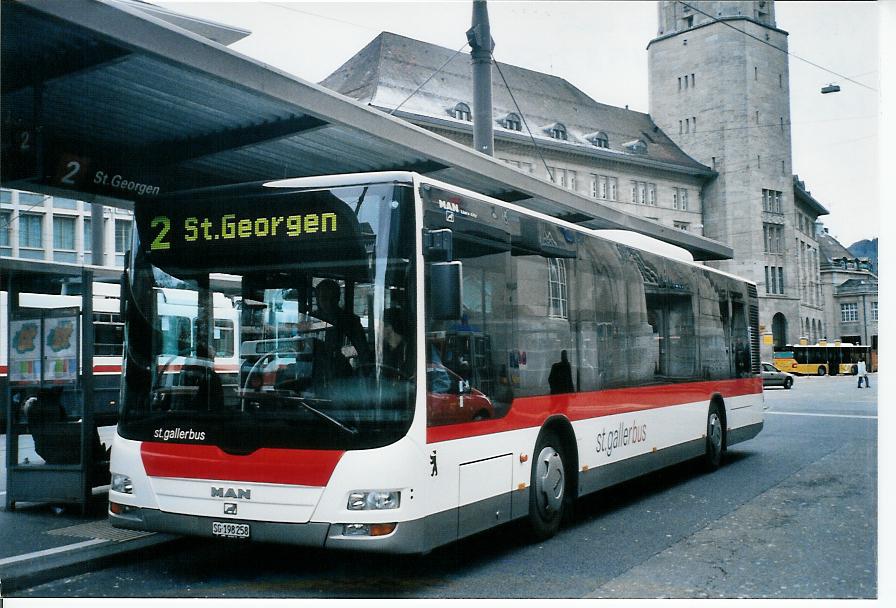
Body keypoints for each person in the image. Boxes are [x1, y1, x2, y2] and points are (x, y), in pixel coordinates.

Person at [314, 279, 370, 367]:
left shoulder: (351, 321)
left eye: (333, 298)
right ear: (317, 298)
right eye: (324, 298)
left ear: (338, 298)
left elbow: (362, 350)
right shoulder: (312, 320)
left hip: (341, 369)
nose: (329, 303)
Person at [382, 307, 411, 377]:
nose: (376, 329)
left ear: (389, 327)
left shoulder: (418, 351)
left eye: (380, 325)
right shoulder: (382, 351)